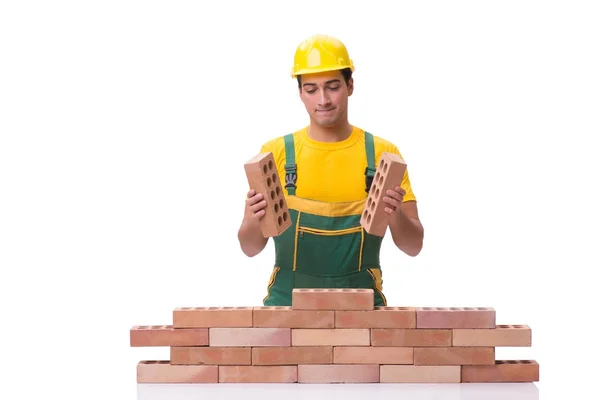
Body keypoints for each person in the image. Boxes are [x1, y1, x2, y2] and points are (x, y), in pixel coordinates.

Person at [237, 34, 424, 306]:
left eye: (332, 86)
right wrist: (256, 217)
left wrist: (393, 213)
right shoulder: (275, 154)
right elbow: (250, 248)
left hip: (363, 313)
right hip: (286, 309)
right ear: (300, 92)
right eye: (311, 89)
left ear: (350, 85)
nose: (322, 99)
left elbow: (413, 246)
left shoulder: (382, 155)